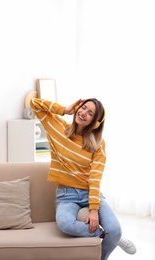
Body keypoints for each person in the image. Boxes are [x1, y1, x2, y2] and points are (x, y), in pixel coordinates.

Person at [30, 97, 136, 260]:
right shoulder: (58, 128)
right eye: (83, 107)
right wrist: (65, 110)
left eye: (90, 113)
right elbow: (34, 104)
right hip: (66, 196)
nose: (84, 113)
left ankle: (103, 255)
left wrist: (94, 209)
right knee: (65, 224)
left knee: (115, 230)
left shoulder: (98, 144)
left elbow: (95, 178)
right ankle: (103, 234)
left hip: (90, 194)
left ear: (95, 122)